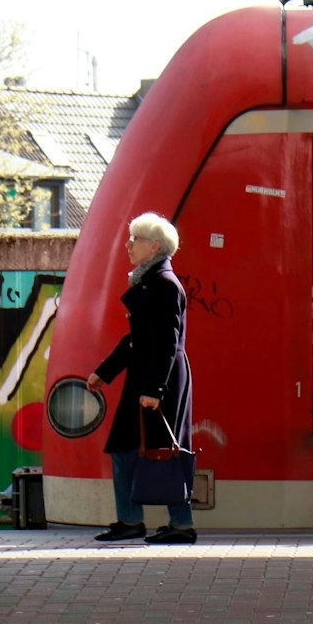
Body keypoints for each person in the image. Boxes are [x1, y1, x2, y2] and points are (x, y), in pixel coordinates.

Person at [86, 213, 197, 545]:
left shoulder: (164, 285)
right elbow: (136, 339)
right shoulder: (149, 282)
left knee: (164, 449)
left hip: (158, 381)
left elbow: (168, 341)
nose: (129, 245)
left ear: (155, 246)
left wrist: (155, 390)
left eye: (136, 240)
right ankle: (132, 519)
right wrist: (104, 372)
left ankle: (180, 524)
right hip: (147, 376)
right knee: (126, 447)